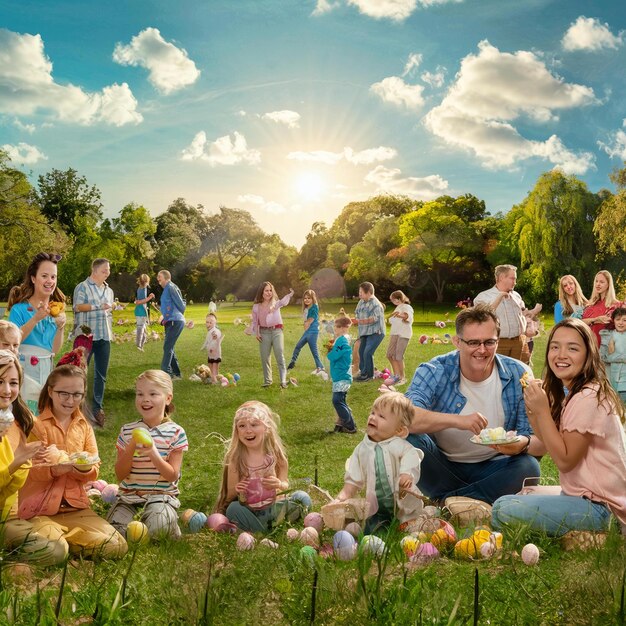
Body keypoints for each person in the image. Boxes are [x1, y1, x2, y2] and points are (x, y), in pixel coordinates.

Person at [492, 318, 626, 538]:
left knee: (501, 508)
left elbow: (564, 461)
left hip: (602, 509)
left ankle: (605, 532)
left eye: (572, 348)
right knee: (525, 492)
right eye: (555, 346)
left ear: (588, 355)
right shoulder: (578, 393)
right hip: (585, 497)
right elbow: (549, 442)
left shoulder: (587, 398)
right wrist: (534, 412)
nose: (561, 355)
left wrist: (543, 411)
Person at [405, 304, 544, 510]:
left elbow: (535, 438)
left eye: (489, 342)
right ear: (457, 342)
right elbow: (405, 417)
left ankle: (446, 502)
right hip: (442, 465)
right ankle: (476, 500)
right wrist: (459, 421)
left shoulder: (519, 374)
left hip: (494, 466)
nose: (482, 350)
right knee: (408, 438)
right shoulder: (434, 369)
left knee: (528, 466)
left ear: (498, 341)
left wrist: (520, 444)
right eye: (473, 342)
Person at [18, 365, 127, 558]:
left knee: (118, 545)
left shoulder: (84, 427)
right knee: (52, 548)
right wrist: (55, 470)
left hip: (76, 507)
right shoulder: (37, 426)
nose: (70, 400)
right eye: (64, 394)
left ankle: (65, 539)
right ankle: (58, 539)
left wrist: (80, 469)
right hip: (41, 509)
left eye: (77, 394)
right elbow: (28, 471)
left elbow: (94, 469)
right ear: (50, 391)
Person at [0, 350, 68, 566]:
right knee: (53, 551)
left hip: (15, 514)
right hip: (5, 518)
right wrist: (14, 464)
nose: (6, 390)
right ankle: (10, 563)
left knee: (60, 547)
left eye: (13, 382)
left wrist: (43, 457)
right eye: (0, 381)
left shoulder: (18, 421)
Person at [107, 370, 188, 540]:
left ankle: (166, 524)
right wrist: (131, 447)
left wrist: (152, 452)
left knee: (158, 529)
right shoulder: (127, 431)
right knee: (114, 534)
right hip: (129, 498)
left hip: (161, 497)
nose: (145, 399)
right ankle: (142, 523)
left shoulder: (175, 432)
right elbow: (120, 475)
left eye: (153, 394)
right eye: (140, 394)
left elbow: (172, 475)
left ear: (168, 398)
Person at [215, 401, 310, 532]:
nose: (248, 430)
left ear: (266, 427)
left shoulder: (275, 454)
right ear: (236, 431)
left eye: (254, 424)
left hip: (273, 508)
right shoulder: (236, 460)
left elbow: (284, 485)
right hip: (249, 511)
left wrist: (279, 484)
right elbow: (231, 497)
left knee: (302, 497)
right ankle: (266, 530)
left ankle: (260, 528)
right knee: (233, 509)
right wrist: (240, 490)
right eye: (242, 426)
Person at [336, 393, 424, 532]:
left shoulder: (399, 445)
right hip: (375, 504)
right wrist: (344, 495)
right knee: (373, 528)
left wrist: (406, 473)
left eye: (381, 416)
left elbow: (411, 455)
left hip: (400, 501)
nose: (372, 417)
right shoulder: (361, 449)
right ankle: (377, 529)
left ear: (399, 430)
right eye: (372, 413)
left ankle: (408, 527)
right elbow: (353, 478)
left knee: (409, 524)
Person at [8, 253, 67, 413]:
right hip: (22, 372)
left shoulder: (55, 312)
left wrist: (60, 327)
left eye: (53, 277)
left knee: (42, 416)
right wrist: (35, 318)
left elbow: (53, 350)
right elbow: (12, 342)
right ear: (33, 278)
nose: (50, 281)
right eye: (45, 276)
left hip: (46, 372)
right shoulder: (19, 309)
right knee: (23, 416)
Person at [72, 258, 114, 427]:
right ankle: (76, 409)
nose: (108, 272)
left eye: (109, 270)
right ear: (95, 270)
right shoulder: (82, 287)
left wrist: (112, 308)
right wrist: (99, 306)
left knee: (101, 375)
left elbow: (108, 310)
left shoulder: (108, 290)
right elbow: (77, 307)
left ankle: (97, 409)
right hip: (85, 336)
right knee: (78, 373)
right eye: (105, 270)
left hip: (104, 336)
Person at [474, 264, 526, 361]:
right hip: (498, 342)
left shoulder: (516, 295)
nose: (515, 282)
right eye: (512, 278)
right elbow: (483, 315)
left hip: (518, 342)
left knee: (518, 373)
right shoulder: (484, 296)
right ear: (501, 278)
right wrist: (500, 297)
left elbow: (523, 313)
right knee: (497, 372)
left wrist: (533, 312)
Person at [250, 282, 294, 388]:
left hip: (277, 331)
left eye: (270, 290)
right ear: (262, 292)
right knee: (265, 357)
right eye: (266, 290)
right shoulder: (256, 307)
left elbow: (283, 302)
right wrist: (257, 333)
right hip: (264, 333)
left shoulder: (276, 303)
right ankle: (267, 381)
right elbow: (255, 322)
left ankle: (283, 381)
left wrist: (290, 294)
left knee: (279, 354)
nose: (269, 293)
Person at [327, 316, 357, 434]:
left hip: (342, 375)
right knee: (341, 400)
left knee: (337, 401)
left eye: (338, 327)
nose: (335, 329)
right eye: (335, 326)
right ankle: (344, 424)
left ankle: (349, 426)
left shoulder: (342, 340)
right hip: (341, 374)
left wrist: (329, 352)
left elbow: (334, 356)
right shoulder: (343, 339)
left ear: (345, 328)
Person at [157, 270, 186, 380]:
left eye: (159, 277)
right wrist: (165, 317)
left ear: (166, 277)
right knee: (170, 347)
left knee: (167, 347)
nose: (158, 279)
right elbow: (169, 305)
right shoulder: (167, 288)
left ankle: (165, 375)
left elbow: (181, 305)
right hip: (170, 321)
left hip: (175, 321)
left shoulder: (171, 287)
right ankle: (177, 374)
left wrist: (171, 316)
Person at [354, 282, 385, 382]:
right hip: (365, 331)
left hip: (376, 332)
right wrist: (355, 319)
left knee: (367, 352)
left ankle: (369, 375)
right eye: (359, 292)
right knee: (361, 351)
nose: (359, 294)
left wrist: (359, 321)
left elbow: (374, 319)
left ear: (369, 292)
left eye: (361, 292)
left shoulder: (376, 304)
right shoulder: (361, 302)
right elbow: (357, 313)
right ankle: (363, 373)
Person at [287, 289, 324, 373]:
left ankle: (320, 366)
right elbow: (305, 321)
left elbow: (311, 319)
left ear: (313, 299)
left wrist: (306, 324)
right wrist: (306, 324)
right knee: (298, 346)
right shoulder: (306, 308)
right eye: (305, 298)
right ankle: (292, 362)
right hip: (307, 331)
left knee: (314, 351)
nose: (306, 300)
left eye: (309, 298)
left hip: (313, 332)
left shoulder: (314, 307)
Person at [582, 270, 620, 346]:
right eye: (596, 281)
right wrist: (596, 319)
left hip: (606, 348)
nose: (598, 284)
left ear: (608, 285)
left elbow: (607, 320)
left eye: (602, 282)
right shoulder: (590, 304)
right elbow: (580, 322)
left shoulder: (616, 305)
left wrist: (590, 321)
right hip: (588, 345)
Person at [386, 290, 414, 385]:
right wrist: (393, 317)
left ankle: (402, 378)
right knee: (389, 354)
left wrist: (401, 316)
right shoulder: (398, 307)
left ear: (398, 299)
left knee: (398, 356)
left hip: (403, 334)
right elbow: (391, 320)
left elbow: (407, 316)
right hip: (395, 333)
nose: (392, 302)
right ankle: (396, 375)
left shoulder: (407, 307)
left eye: (393, 300)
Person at [600, 307, 626, 404]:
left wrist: (615, 356)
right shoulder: (608, 336)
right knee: (616, 408)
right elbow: (605, 357)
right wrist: (621, 358)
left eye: (624, 320)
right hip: (613, 379)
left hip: (624, 381)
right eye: (618, 319)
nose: (621, 323)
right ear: (613, 320)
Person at [200, 313, 224, 384]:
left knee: (214, 366)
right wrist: (203, 347)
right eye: (207, 322)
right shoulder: (209, 332)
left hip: (215, 353)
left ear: (215, 323)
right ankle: (213, 378)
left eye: (211, 322)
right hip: (210, 354)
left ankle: (215, 380)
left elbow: (215, 339)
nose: (208, 324)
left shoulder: (215, 331)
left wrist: (215, 337)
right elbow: (206, 341)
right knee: (210, 365)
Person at [134, 274, 154, 352]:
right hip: (140, 312)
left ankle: (141, 346)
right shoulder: (142, 289)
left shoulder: (142, 289)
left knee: (144, 332)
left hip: (142, 311)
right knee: (140, 328)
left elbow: (140, 300)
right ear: (146, 281)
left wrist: (150, 296)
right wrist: (149, 297)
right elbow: (139, 302)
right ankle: (138, 345)